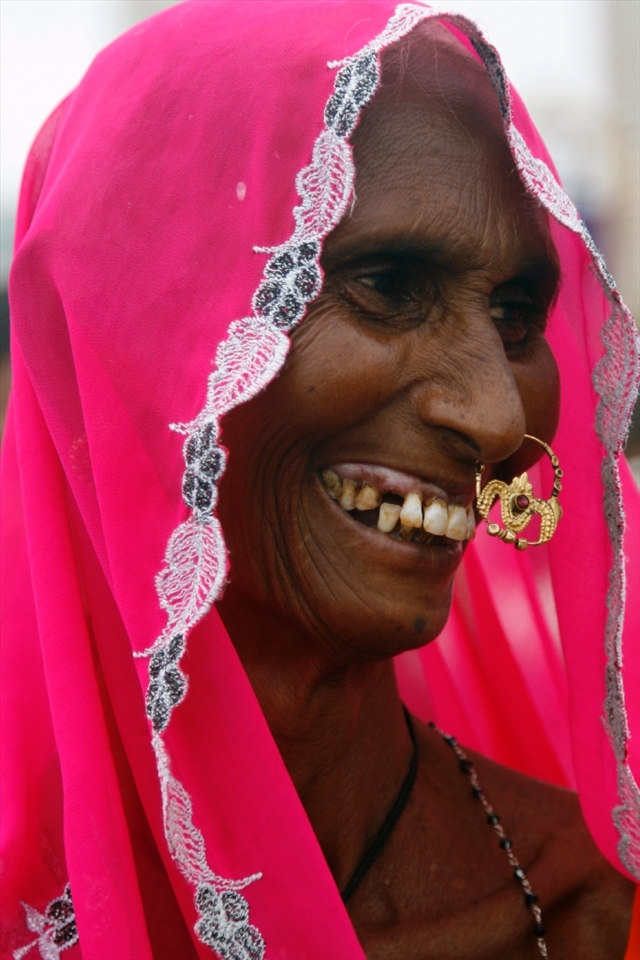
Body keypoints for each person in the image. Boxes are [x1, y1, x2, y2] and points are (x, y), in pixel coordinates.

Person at [1, 3, 638, 958]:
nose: (497, 418)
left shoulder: (589, 916)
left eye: (516, 314)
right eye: (387, 285)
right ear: (140, 335)